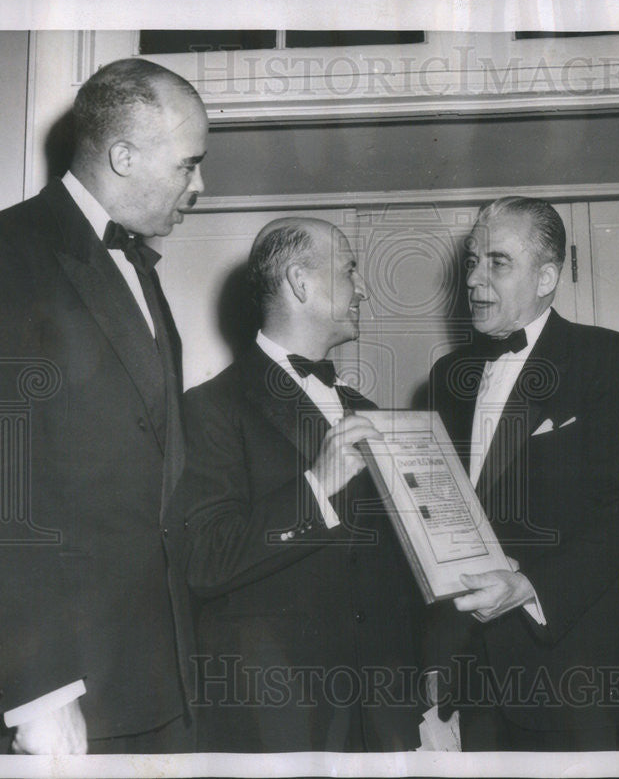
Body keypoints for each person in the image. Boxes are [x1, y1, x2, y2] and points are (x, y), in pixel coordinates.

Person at [0, 57, 207, 754]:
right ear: (123, 155)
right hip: (58, 692)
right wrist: (39, 694)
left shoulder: (141, 273)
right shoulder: (2, 254)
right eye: (190, 164)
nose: (200, 185)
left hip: (151, 683)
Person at [169, 218, 426, 752]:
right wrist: (316, 487)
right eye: (351, 269)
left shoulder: (369, 412)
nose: (363, 288)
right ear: (301, 283)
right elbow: (204, 561)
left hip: (382, 713)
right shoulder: (209, 408)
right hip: (278, 716)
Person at [426, 196, 619, 750]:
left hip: (577, 675)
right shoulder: (447, 374)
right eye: (472, 262)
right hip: (476, 678)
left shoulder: (606, 356)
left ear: (547, 276)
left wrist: (531, 586)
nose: (476, 281)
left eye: (497, 262)